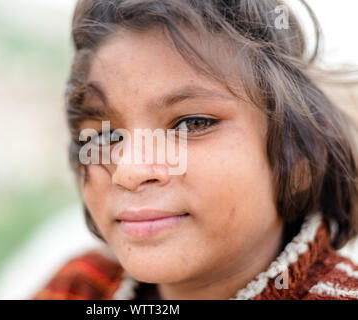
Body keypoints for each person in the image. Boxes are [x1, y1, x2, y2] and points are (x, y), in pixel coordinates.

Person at [34, 0, 358, 300]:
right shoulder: (80, 285)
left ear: (301, 155)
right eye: (104, 137)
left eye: (192, 124)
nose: (129, 172)